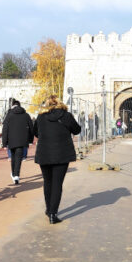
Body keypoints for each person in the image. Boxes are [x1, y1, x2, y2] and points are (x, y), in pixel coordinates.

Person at [33, 94, 81, 224]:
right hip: (62, 153)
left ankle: (49, 209)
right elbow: (77, 130)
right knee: (57, 183)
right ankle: (53, 214)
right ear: (59, 103)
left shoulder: (41, 117)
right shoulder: (66, 115)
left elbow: (35, 132)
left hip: (44, 153)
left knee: (47, 182)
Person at [1, 99, 34, 185]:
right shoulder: (26, 115)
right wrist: (30, 140)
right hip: (23, 140)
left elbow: (5, 129)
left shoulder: (9, 115)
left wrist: (4, 143)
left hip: (11, 140)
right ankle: (16, 175)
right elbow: (31, 128)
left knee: (13, 157)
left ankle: (14, 173)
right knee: (19, 157)